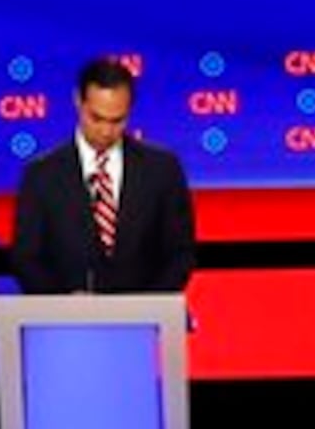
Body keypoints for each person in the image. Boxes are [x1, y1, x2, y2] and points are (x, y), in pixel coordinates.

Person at [10, 57, 198, 297]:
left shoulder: (162, 170)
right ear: (78, 101)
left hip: (145, 324)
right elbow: (26, 259)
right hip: (65, 326)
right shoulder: (41, 175)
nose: (106, 131)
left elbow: (180, 254)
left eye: (117, 120)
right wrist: (63, 303)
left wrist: (146, 308)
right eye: (96, 118)